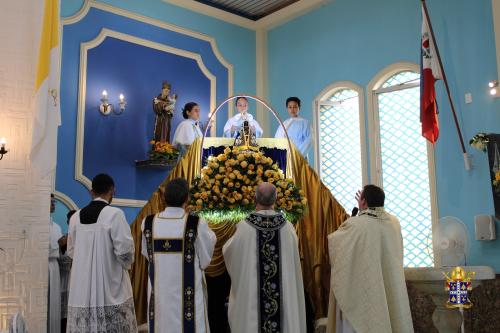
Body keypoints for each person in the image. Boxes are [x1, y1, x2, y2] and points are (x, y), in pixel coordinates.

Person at [327, 185, 413, 333]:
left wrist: (357, 214)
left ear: (364, 202)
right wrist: (364, 208)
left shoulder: (356, 225)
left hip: (364, 289)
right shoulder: (394, 222)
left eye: (361, 199)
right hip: (390, 283)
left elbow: (335, 243)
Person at [223, 182, 306, 333]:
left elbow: (229, 252)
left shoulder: (245, 227)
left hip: (252, 310)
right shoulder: (288, 228)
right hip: (283, 310)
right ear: (276, 200)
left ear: (255, 199)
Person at [141, 178, 216, 333]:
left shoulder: (148, 223)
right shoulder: (195, 223)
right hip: (188, 301)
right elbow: (205, 259)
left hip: (160, 296)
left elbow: (147, 254)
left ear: (164, 197)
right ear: (187, 198)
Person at [66, 174, 137, 333]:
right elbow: (125, 251)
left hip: (82, 286)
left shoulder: (75, 217)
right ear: (112, 190)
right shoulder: (115, 214)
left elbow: (71, 251)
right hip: (108, 285)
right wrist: (125, 264)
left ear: (92, 192)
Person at [59, 210, 76, 333]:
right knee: (63, 314)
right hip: (63, 280)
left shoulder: (82, 239)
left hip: (77, 281)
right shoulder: (63, 239)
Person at [48, 193, 62, 333]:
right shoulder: (38, 225)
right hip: (43, 265)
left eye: (54, 202)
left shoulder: (57, 227)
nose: (53, 205)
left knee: (54, 303)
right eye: (50, 202)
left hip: (54, 266)